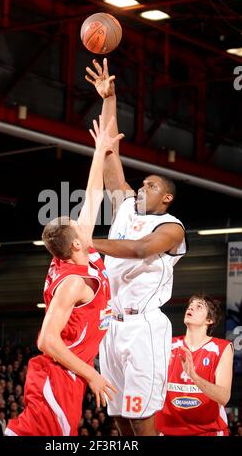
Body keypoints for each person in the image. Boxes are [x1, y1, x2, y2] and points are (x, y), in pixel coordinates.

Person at [85, 58, 187, 436]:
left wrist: (88, 242)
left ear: (167, 199)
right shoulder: (126, 206)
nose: (143, 187)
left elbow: (142, 249)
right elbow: (110, 152)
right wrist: (109, 99)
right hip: (110, 323)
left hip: (144, 327)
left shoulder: (171, 228)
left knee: (142, 417)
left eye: (153, 186)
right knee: (118, 416)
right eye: (142, 183)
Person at [5, 115, 123, 436]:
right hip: (56, 376)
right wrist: (92, 375)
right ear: (75, 243)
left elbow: (93, 195)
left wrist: (100, 151)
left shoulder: (76, 249)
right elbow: (46, 340)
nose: (83, 222)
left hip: (68, 379)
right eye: (76, 224)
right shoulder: (72, 282)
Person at [155, 293, 233, 436]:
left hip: (209, 431)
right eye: (190, 305)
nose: (191, 308)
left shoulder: (221, 348)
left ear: (209, 320)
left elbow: (224, 397)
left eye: (199, 307)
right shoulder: (168, 345)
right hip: (169, 430)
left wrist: (194, 376)